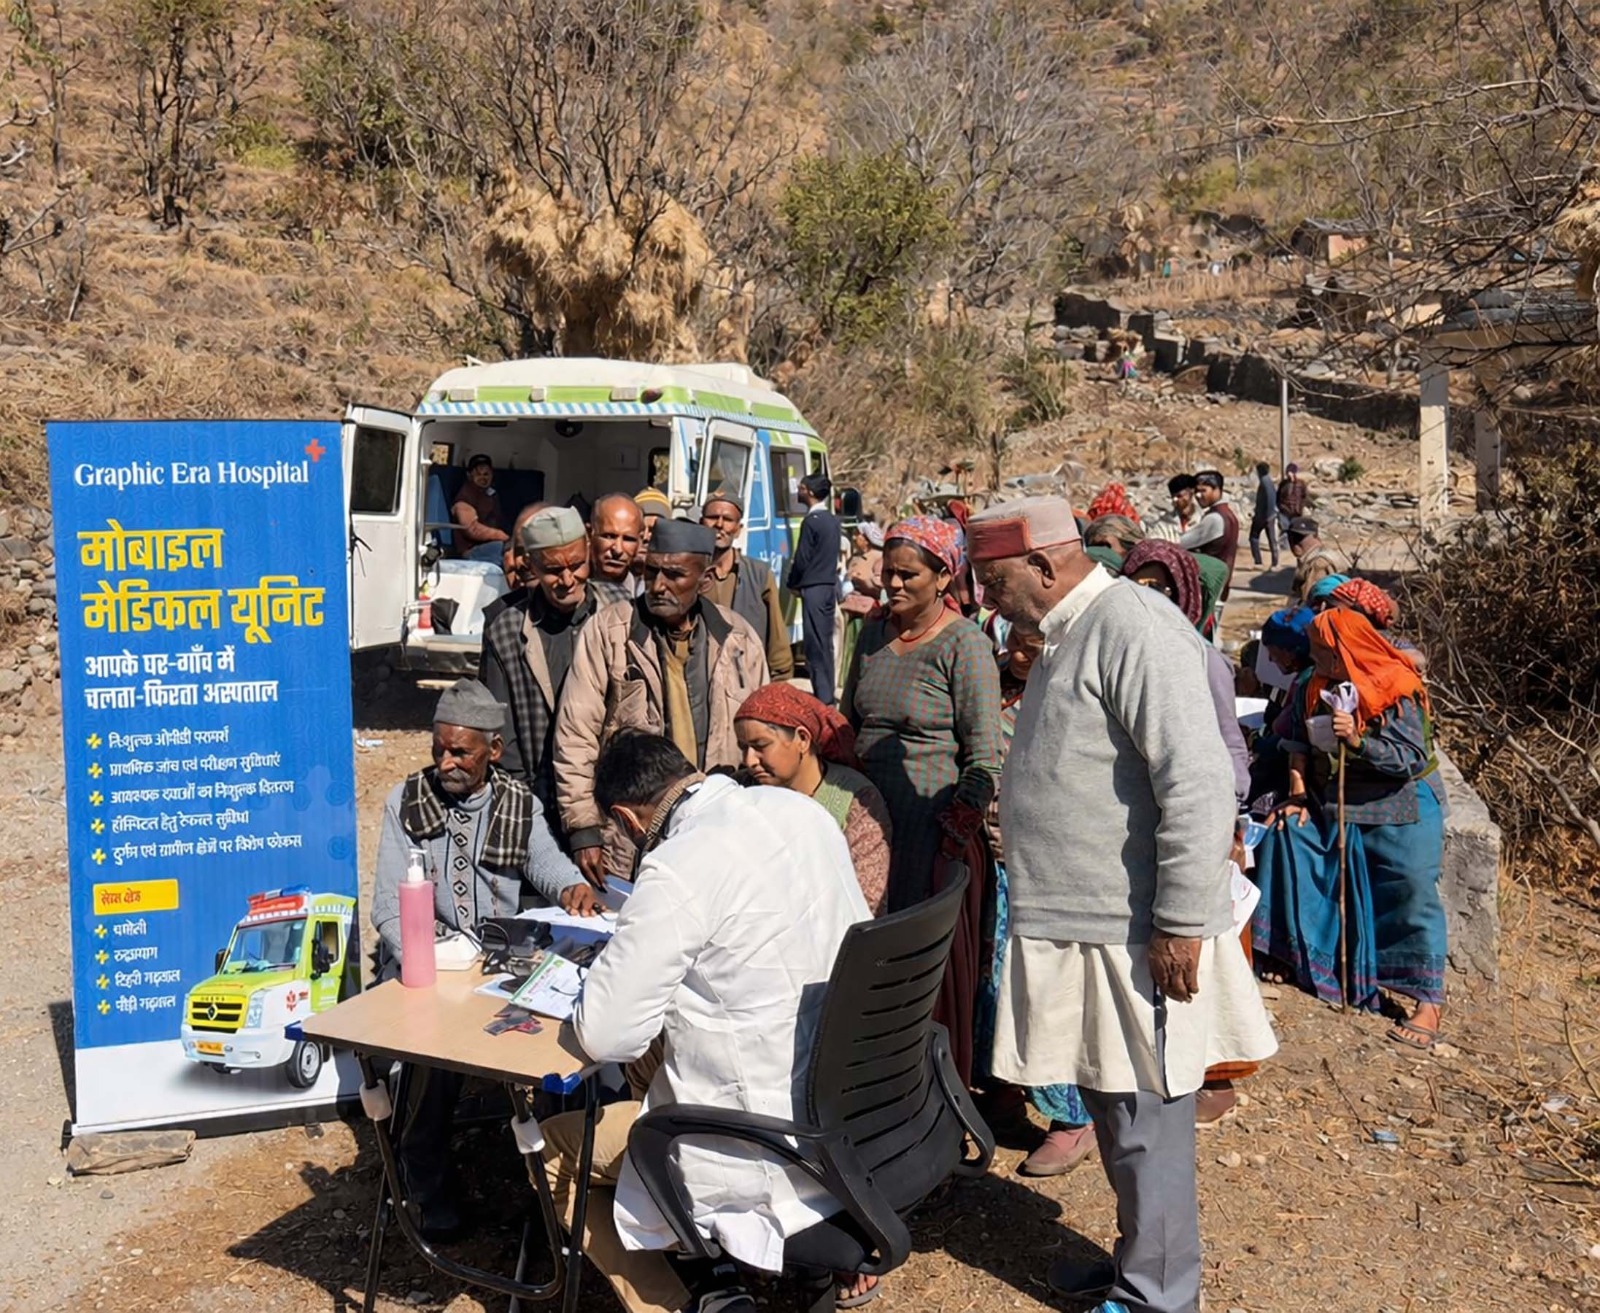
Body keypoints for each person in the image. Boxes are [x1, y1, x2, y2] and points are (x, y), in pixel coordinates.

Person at [968, 496, 1276, 1313]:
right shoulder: (1073, 631)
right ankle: (1142, 1264)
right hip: (1091, 923)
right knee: (1116, 1105)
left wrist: (1179, 918)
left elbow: (1200, 781)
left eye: (995, 580)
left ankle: (1159, 1295)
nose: (988, 598)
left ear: (1044, 564)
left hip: (1136, 928)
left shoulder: (1133, 627)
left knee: (1146, 1117)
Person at [536, 731, 870, 1313]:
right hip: (848, 1106)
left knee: (553, 1152)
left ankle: (682, 1303)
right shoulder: (799, 812)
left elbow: (605, 1033)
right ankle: (709, 1265)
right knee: (651, 1058)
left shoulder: (677, 866)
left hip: (758, 1139)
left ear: (625, 819)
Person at [371, 679, 595, 1239]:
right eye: (439, 748)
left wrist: (570, 889)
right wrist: (432, 960)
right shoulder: (406, 800)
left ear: (492, 751)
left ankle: (553, 1186)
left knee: (558, 1050)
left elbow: (545, 860)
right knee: (428, 1061)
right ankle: (424, 1185)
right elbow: (387, 906)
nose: (446, 761)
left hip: (498, 961)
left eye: (461, 752)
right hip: (428, 964)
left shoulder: (519, 804)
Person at [842, 515, 1002, 1084]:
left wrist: (954, 832)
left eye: (909, 574)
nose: (895, 584)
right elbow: (848, 723)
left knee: (922, 979)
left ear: (943, 576)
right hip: (867, 828)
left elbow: (984, 757)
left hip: (931, 837)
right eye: (888, 573)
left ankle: (931, 1095)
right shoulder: (872, 633)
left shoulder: (965, 644)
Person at [1255, 610, 1448, 1048]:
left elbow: (1410, 759)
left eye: (1322, 651)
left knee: (1410, 894)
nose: (1315, 656)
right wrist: (1298, 792)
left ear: (1345, 652)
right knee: (1290, 841)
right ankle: (1298, 957)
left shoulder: (1395, 687)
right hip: (1334, 803)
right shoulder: (1311, 684)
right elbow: (1297, 743)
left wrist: (1358, 741)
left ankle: (1427, 1002)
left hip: (1400, 807)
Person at [554, 519, 768, 885]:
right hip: (632, 836)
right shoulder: (610, 632)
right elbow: (576, 733)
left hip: (719, 829)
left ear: (705, 579)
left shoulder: (739, 639)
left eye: (674, 575)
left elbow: (762, 734)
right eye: (650, 571)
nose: (657, 586)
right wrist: (583, 827)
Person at [977, 621, 1098, 1179]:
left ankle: (1071, 1118)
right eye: (1011, 639)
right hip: (987, 857)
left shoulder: (1072, 693)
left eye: (1032, 642)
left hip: (1047, 868)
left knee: (1042, 990)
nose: (1018, 652)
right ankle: (1001, 1088)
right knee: (989, 981)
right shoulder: (989, 685)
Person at [479, 507, 597, 831]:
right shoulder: (506, 630)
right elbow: (502, 734)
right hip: (538, 805)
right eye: (554, 570)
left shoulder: (617, 612)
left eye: (577, 565)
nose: (568, 580)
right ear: (530, 565)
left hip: (606, 802)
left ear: (588, 549)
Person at [735, 682, 892, 913]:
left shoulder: (856, 801)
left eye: (760, 746)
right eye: (743, 748)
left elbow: (867, 902)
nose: (749, 761)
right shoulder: (742, 790)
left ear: (802, 739)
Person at [1119, 539, 1250, 803]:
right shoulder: (1110, 652)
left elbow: (1229, 740)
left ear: (1180, 593)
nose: (1143, 598)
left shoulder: (1204, 661)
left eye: (1155, 588)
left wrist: (1229, 804)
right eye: (1132, 587)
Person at [699, 492, 794, 681]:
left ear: (738, 528)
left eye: (727, 519)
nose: (719, 524)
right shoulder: (689, 573)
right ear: (701, 523)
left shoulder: (758, 574)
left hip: (746, 681)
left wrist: (779, 682)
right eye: (712, 518)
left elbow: (777, 641)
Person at [786, 473, 843, 706]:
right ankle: (826, 690)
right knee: (826, 641)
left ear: (809, 492)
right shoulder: (832, 520)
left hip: (814, 589)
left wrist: (792, 583)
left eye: (800, 488)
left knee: (815, 644)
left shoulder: (811, 522)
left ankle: (822, 696)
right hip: (829, 587)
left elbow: (802, 558)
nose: (798, 491)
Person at [1180, 469, 1241, 600]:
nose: (1198, 495)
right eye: (1196, 491)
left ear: (1217, 490)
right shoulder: (1229, 515)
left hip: (1208, 586)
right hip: (1220, 583)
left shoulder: (1214, 518)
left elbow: (1181, 543)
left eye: (1203, 491)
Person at [590, 493, 646, 609]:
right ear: (590, 534)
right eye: (609, 536)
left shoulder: (646, 595)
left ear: (640, 542)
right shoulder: (573, 589)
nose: (618, 550)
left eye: (628, 539)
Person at [451, 453, 510, 563]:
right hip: (471, 551)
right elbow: (472, 529)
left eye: (486, 474)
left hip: (491, 545)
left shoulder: (491, 494)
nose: (483, 478)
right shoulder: (464, 498)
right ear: (469, 475)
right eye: (478, 474)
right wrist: (500, 535)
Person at [1288, 517, 1346, 604]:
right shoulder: (1313, 556)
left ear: (1315, 536)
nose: (1294, 542)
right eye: (1290, 536)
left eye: (1299, 537)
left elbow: (1309, 602)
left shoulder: (1318, 563)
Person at [1147, 473, 1202, 542]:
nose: (1175, 500)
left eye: (1179, 496)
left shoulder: (1202, 519)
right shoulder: (1166, 520)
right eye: (1173, 496)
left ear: (1191, 493)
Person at [1250, 461, 1280, 567]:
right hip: (1269, 515)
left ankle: (1258, 562)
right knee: (1272, 539)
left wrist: (1264, 516)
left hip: (1263, 516)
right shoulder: (1269, 481)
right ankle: (1275, 562)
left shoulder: (1264, 482)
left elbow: (1269, 500)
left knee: (1253, 537)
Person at [1276, 462, 1309, 531]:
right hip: (1284, 512)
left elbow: (1304, 497)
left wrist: (1300, 507)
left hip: (1296, 513)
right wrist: (1280, 507)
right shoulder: (1283, 484)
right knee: (1285, 531)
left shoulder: (1301, 484)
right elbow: (1278, 497)